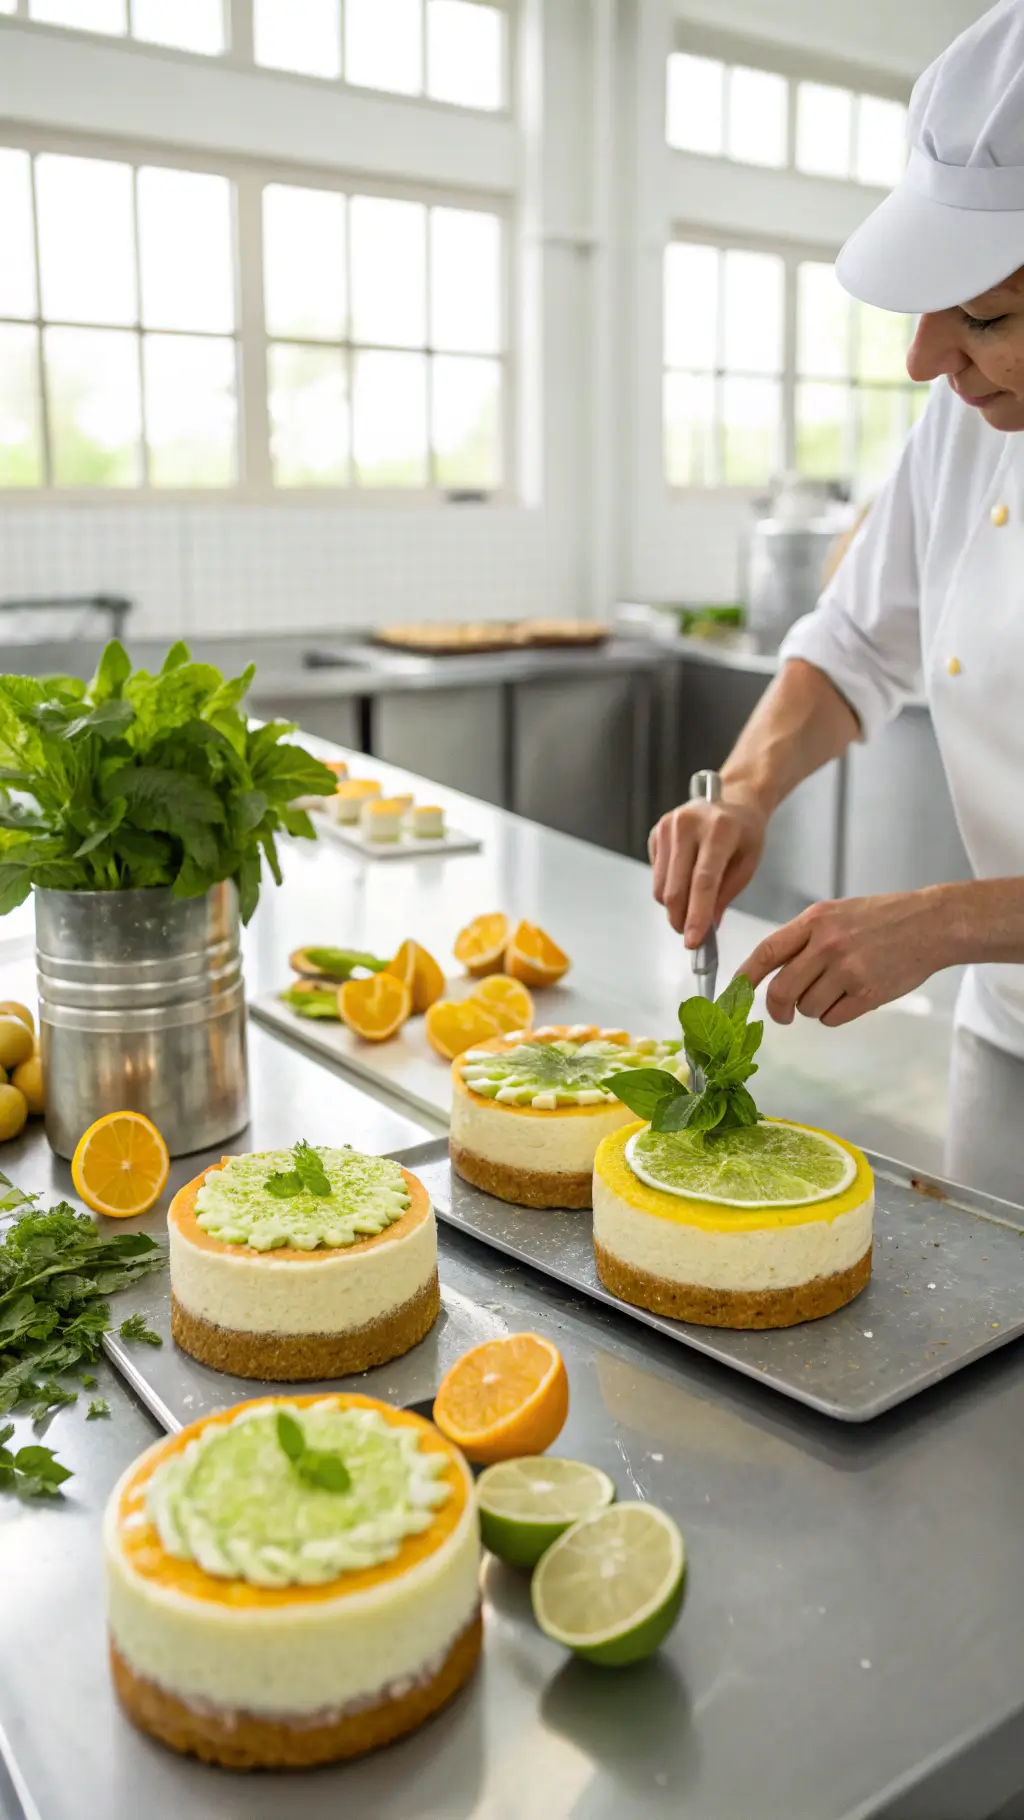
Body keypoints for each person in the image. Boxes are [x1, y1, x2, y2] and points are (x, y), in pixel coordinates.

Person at [649, 0, 1024, 1201]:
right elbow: (856, 638)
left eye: (986, 315)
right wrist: (748, 787)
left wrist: (950, 920)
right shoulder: (969, 425)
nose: (924, 358)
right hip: (1011, 1038)